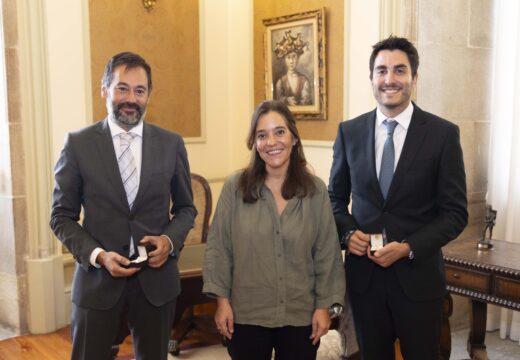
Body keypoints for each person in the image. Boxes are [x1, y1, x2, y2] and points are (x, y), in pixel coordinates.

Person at [328, 36, 468, 359]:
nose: (389, 79)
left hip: (418, 283)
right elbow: (334, 199)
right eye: (381, 71)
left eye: (399, 70)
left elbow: (455, 213)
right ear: (372, 79)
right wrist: (348, 234)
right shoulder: (349, 132)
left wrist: (408, 248)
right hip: (364, 283)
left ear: (414, 78)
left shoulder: (443, 135)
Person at [50, 52, 196, 360]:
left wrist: (169, 241)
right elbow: (61, 217)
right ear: (104, 90)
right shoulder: (77, 144)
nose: (131, 98)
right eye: (122, 88)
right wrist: (99, 256)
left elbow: (185, 209)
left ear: (148, 96)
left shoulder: (171, 144)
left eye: (139, 90)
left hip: (156, 286)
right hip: (97, 284)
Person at [203, 100, 345, 360]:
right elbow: (219, 249)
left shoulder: (315, 191)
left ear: (293, 138)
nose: (272, 141)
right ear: (254, 144)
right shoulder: (235, 188)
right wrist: (221, 302)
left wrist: (324, 306)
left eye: (279, 132)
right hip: (245, 314)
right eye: (262, 135)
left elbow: (327, 254)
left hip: (301, 314)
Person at [274, 31, 312, 106]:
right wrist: (286, 100)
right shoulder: (280, 82)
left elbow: (307, 102)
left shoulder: (304, 81)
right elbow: (276, 102)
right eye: (288, 58)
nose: (291, 61)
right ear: (285, 60)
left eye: (294, 57)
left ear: (298, 59)